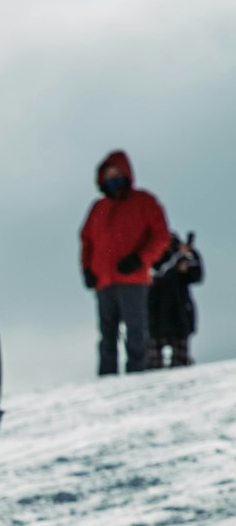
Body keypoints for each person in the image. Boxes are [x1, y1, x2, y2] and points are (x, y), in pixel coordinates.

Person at [79, 150, 172, 376]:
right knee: (106, 334)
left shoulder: (144, 202)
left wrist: (141, 259)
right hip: (103, 280)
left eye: (116, 173)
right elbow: (86, 240)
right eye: (108, 175)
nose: (112, 178)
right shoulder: (98, 209)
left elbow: (161, 236)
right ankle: (107, 377)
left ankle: (138, 376)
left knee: (136, 331)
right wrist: (87, 270)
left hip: (133, 279)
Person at [148, 231, 204, 368]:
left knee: (180, 365)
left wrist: (189, 254)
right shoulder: (147, 252)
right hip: (154, 318)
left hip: (178, 316)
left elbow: (196, 274)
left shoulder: (181, 253)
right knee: (152, 366)